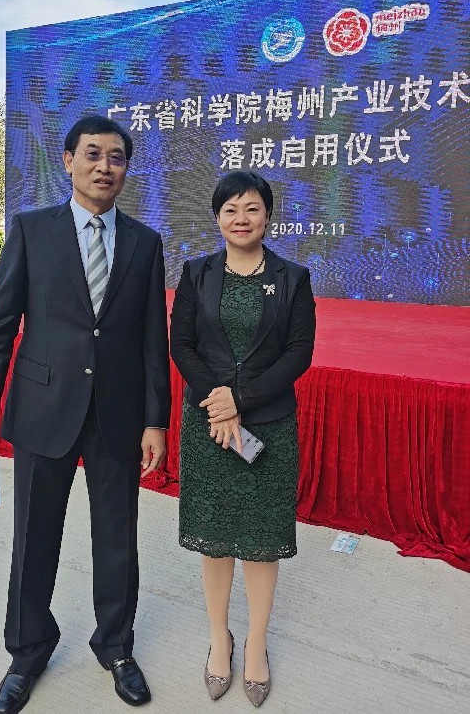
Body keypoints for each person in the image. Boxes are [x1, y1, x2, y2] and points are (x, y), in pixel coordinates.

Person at [0, 115, 171, 714]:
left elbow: (151, 339)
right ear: (68, 161)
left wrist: (155, 419)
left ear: (126, 169)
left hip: (117, 414)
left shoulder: (145, 243)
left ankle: (116, 647)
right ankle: (27, 651)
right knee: (34, 540)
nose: (105, 167)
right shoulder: (32, 231)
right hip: (43, 408)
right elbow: (1, 322)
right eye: (93, 154)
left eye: (116, 157)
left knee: (117, 539)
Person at [170, 170, 315, 707]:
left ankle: (255, 642)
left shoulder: (293, 278)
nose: (241, 218)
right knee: (214, 536)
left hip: (268, 427)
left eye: (252, 208)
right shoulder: (196, 273)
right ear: (217, 217)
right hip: (209, 425)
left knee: (259, 537)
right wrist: (218, 401)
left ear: (268, 216)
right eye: (230, 209)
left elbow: (299, 353)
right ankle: (219, 638)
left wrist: (241, 400)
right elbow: (181, 343)